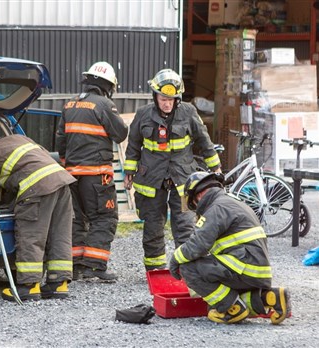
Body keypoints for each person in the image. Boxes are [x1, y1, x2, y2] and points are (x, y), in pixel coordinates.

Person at [123, 68, 221, 271]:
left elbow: (204, 141)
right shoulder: (143, 114)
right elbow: (133, 144)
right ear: (155, 96)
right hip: (151, 179)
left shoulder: (188, 112)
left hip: (183, 179)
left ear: (178, 98)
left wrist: (216, 168)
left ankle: (186, 269)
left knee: (185, 225)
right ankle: (155, 271)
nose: (167, 103)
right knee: (153, 226)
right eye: (163, 98)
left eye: (171, 99)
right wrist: (129, 173)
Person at [168, 172, 291, 325]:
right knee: (227, 290)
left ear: (198, 195)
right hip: (257, 272)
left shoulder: (216, 208)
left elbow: (198, 245)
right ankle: (271, 297)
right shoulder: (231, 202)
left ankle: (231, 308)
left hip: (244, 267)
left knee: (188, 268)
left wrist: (175, 259)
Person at [0, 125, 76, 301]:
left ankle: (29, 286)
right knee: (60, 234)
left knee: (31, 235)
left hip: (36, 187)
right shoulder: (19, 138)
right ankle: (58, 284)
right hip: (61, 182)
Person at [56, 61, 128, 281]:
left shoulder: (70, 105)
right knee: (104, 217)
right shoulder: (104, 105)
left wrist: (66, 163)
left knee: (76, 219)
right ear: (108, 85)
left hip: (72, 175)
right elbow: (121, 133)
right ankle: (95, 267)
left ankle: (76, 266)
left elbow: (60, 139)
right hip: (97, 176)